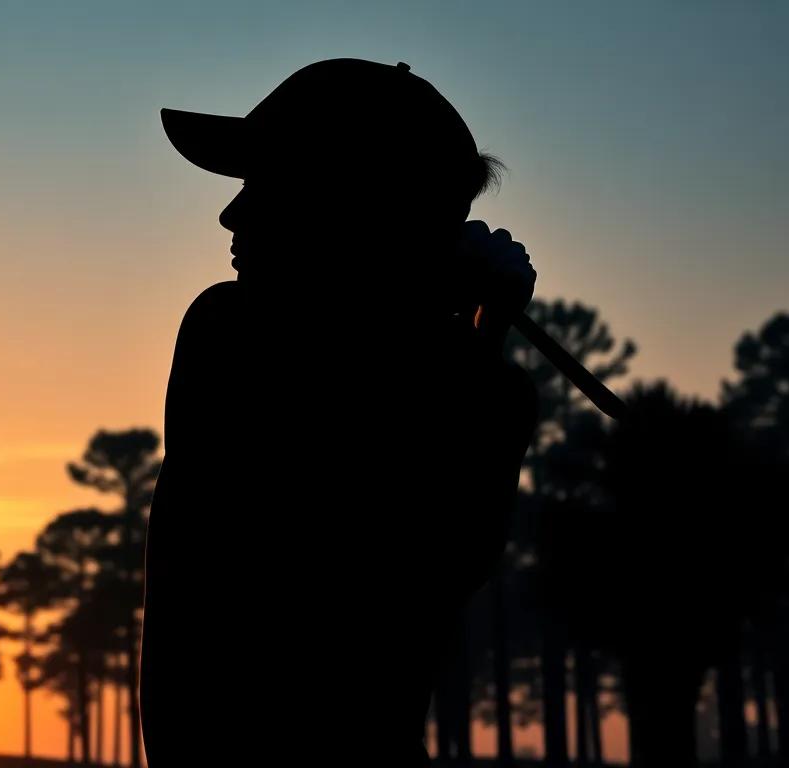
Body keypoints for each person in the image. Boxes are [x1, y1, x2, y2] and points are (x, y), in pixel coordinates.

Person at [139, 58, 539, 766]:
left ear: (340, 207)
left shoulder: (474, 389)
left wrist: (470, 345)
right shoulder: (226, 335)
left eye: (263, 186)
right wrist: (472, 340)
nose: (231, 213)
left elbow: (412, 578)